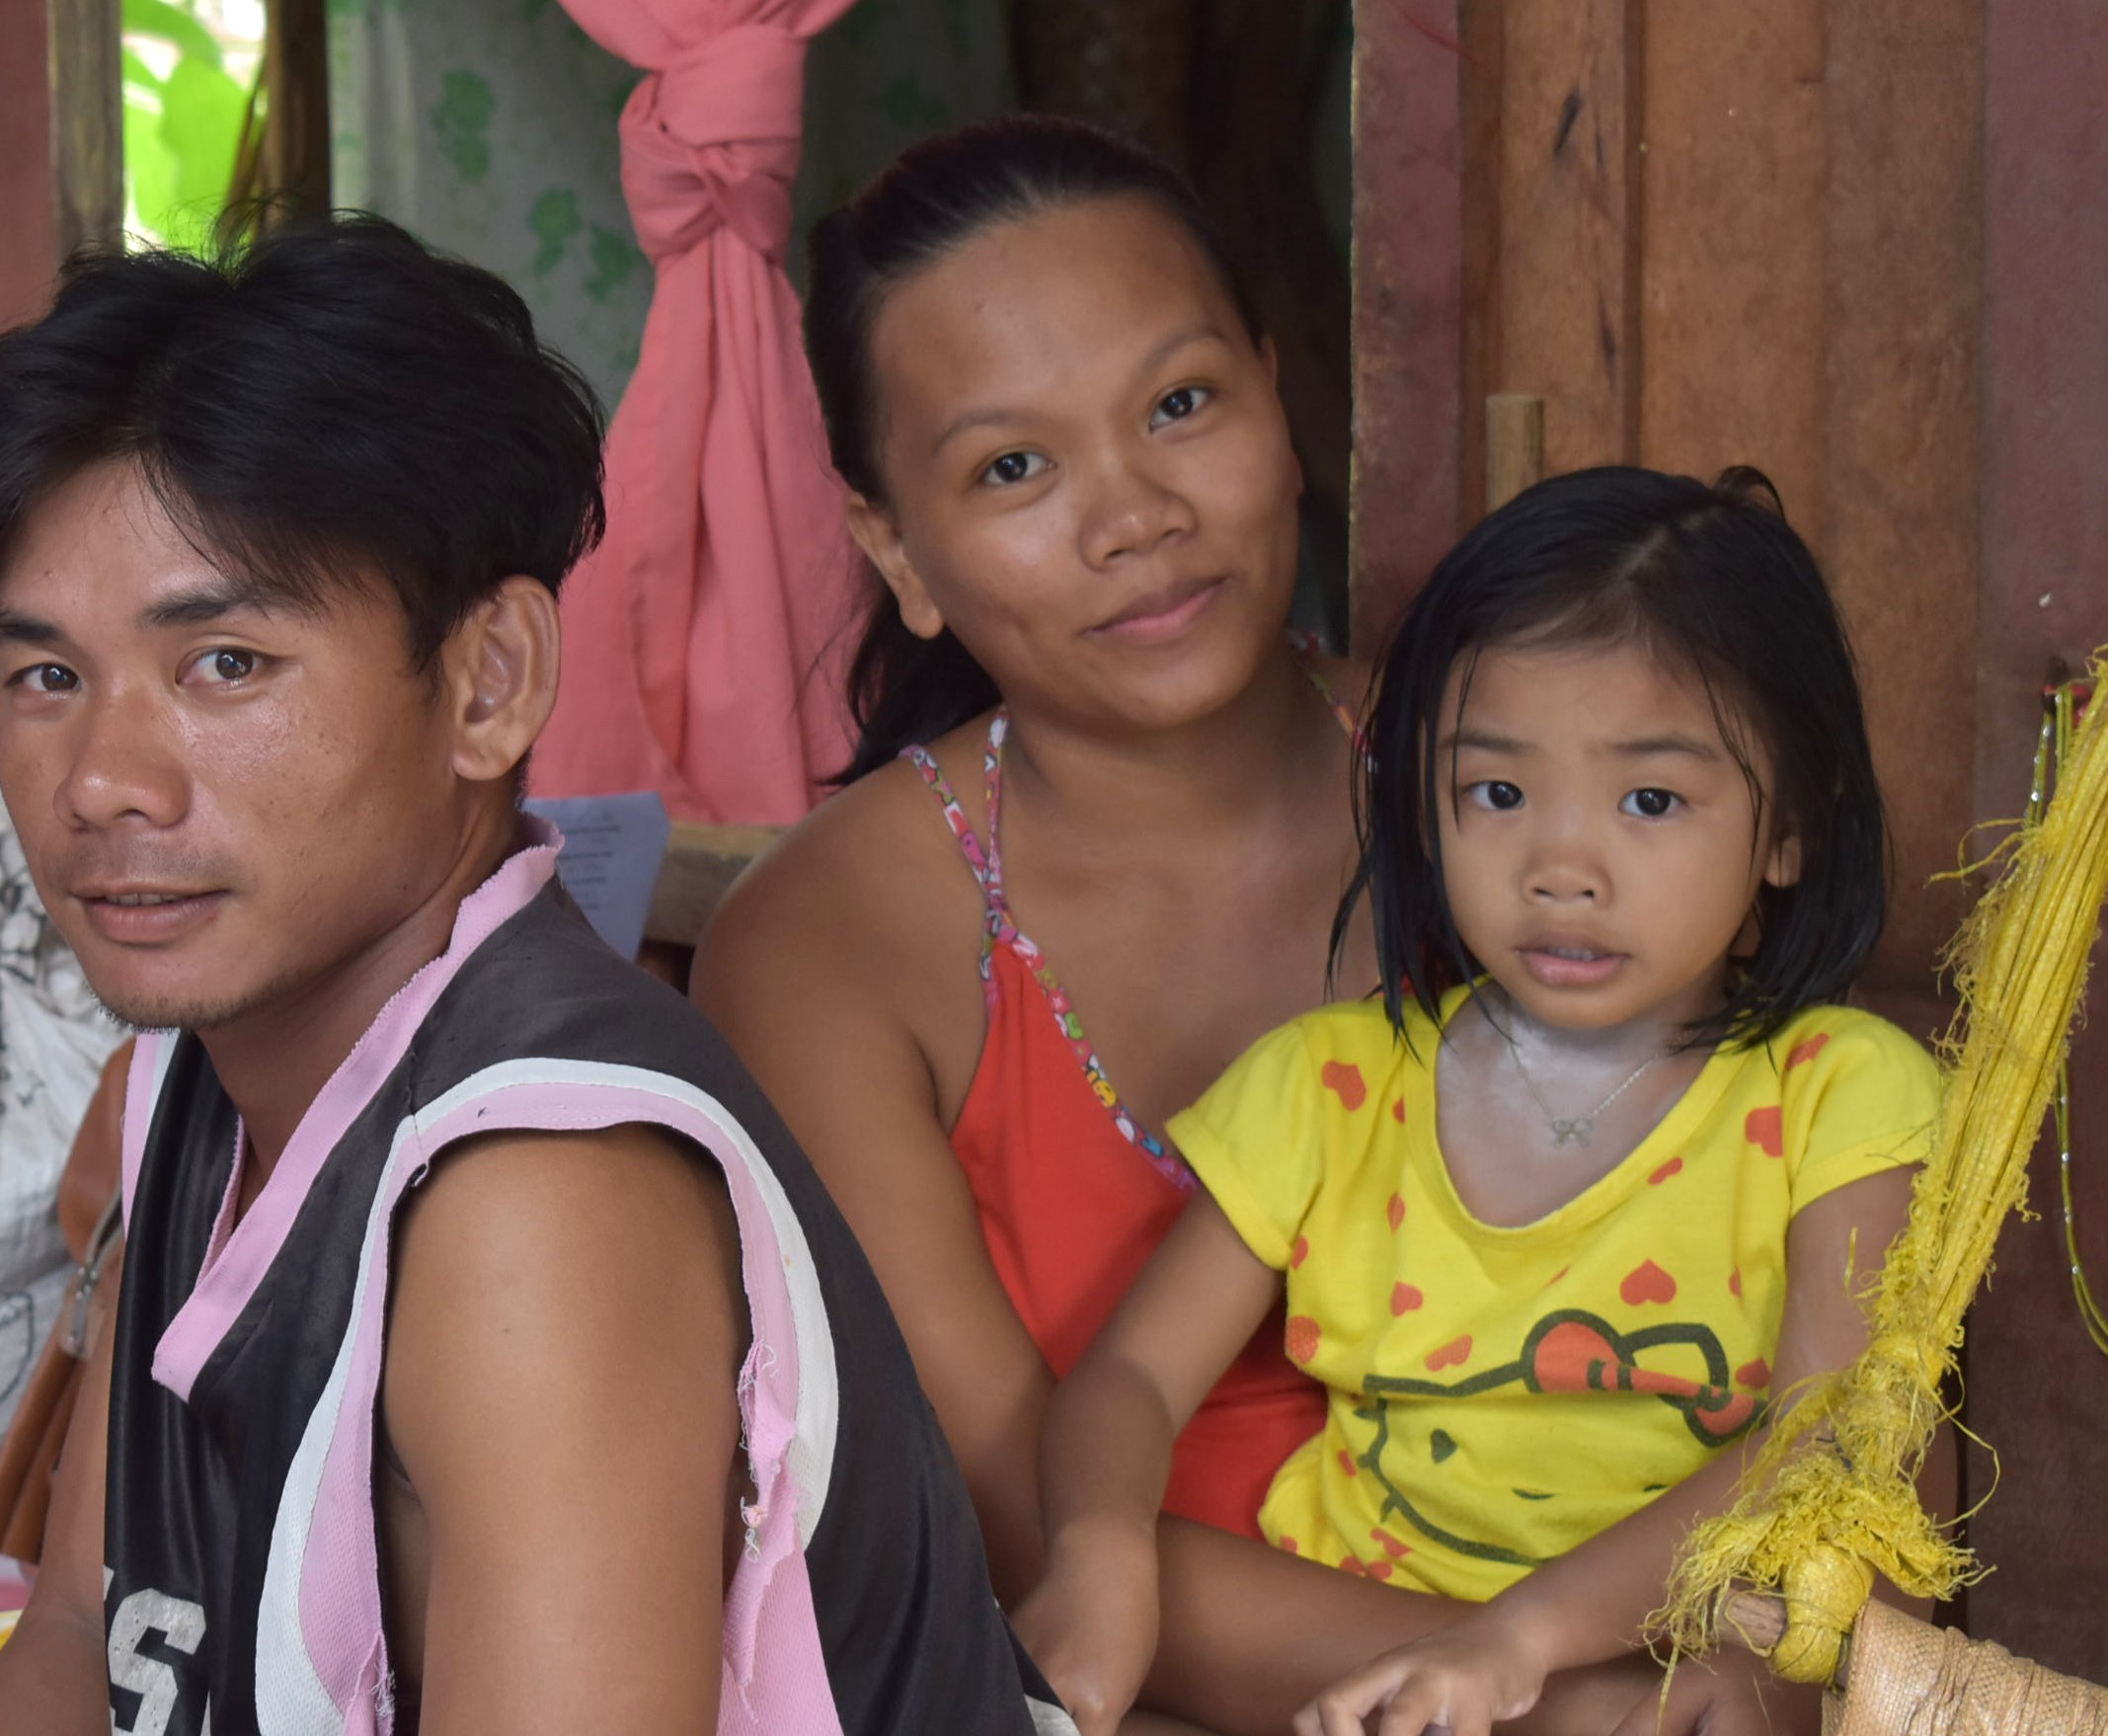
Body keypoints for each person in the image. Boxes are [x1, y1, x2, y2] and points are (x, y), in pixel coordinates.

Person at [0, 216, 1065, 1735]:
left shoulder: (538, 1197)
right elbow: (84, 1629)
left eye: (225, 666)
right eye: (46, 676)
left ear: (490, 682)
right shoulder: (196, 1080)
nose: (104, 781)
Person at [692, 118, 1657, 1735]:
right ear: (891, 551)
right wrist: (1570, 1701)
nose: (1130, 511)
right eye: (1012, 466)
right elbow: (1006, 1513)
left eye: (1179, 403)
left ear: (1281, 407)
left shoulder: (1514, 806)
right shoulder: (825, 940)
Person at [1018, 465, 1948, 1736]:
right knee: (1129, 1565)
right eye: (1497, 793)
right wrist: (1100, 1548)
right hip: (1354, 1658)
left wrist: (1524, 1643)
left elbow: (1820, 1450)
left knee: (1782, 1663)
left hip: (1670, 1653)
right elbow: (1127, 1378)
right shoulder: (1333, 1085)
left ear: (1789, 829)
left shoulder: (1838, 1090)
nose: (1562, 869)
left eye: (1651, 800)